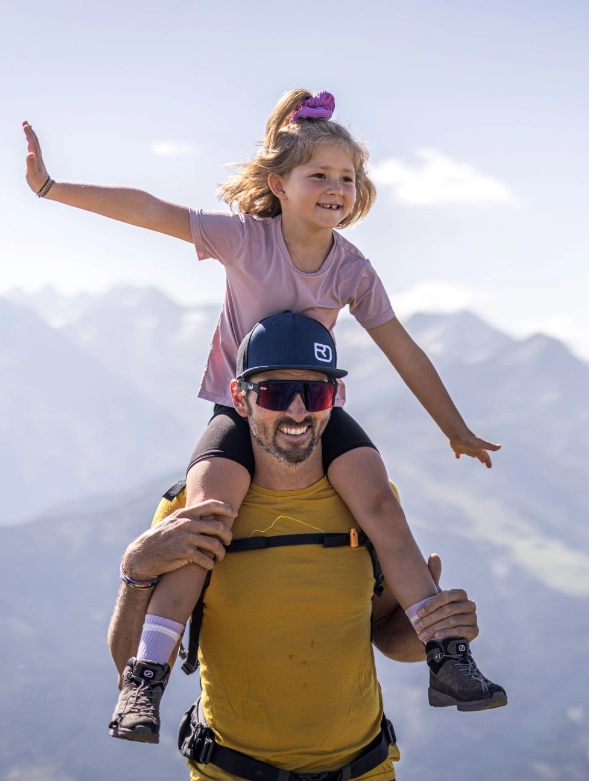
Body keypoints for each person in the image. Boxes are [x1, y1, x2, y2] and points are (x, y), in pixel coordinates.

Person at [24, 89, 503, 729]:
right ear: (278, 184)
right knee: (204, 522)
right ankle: (144, 680)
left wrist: (456, 429)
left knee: (381, 504)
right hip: (239, 407)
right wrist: (51, 186)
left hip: (317, 412)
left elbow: (404, 351)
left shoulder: (352, 268)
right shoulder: (246, 240)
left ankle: (447, 656)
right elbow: (149, 208)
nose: (337, 188)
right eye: (320, 176)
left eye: (348, 178)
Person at [108, 313, 493, 780]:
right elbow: (129, 665)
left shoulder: (370, 501)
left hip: (367, 769)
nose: (297, 411)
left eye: (316, 392)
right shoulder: (189, 508)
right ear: (240, 399)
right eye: (273, 393)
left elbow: (387, 632)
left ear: (335, 399)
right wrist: (135, 572)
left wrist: (435, 627)